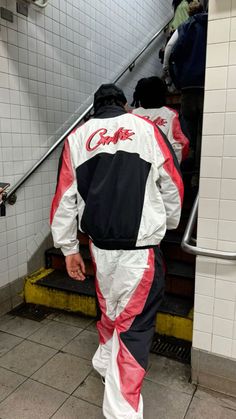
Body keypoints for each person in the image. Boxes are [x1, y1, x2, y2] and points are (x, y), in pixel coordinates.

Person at [50, 83, 183, 419]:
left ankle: (103, 361)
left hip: (100, 248)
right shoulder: (147, 129)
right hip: (140, 250)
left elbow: (64, 199)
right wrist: (167, 222)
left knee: (112, 310)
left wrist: (68, 248)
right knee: (134, 327)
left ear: (95, 108)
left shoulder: (77, 138)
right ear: (125, 104)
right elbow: (173, 184)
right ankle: (121, 411)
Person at [163, 0, 207, 183]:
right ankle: (198, 176)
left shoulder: (184, 27)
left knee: (187, 133)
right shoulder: (213, 26)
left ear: (188, 13)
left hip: (187, 87)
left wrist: (168, 74)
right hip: (207, 87)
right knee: (204, 134)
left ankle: (184, 177)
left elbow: (169, 50)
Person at [131, 76, 189, 164]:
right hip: (161, 167)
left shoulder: (131, 115)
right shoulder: (171, 115)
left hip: (134, 167)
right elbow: (181, 145)